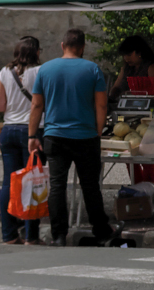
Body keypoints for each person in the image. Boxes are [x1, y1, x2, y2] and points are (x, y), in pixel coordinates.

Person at [29, 28, 114, 246]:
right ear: (83, 47)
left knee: (57, 185)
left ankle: (58, 234)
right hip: (86, 135)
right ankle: (102, 231)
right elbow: (101, 104)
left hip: (55, 135)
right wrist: (97, 130)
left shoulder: (45, 69)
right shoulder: (93, 69)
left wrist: (31, 135)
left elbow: (37, 105)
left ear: (62, 45)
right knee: (90, 185)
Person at [0, 36, 43, 244]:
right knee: (33, 181)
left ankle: (9, 234)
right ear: (36, 52)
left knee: (8, 182)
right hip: (32, 130)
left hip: (9, 129)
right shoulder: (40, 72)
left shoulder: (4, 73)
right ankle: (31, 235)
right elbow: (42, 102)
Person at [109, 35, 154, 184]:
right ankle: (137, 186)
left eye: (129, 54)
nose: (126, 58)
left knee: (146, 155)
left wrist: (137, 93)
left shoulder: (153, 67)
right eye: (124, 55)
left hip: (147, 118)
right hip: (128, 118)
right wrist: (114, 94)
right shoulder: (126, 69)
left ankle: (148, 188)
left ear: (139, 52)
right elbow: (115, 87)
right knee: (129, 155)